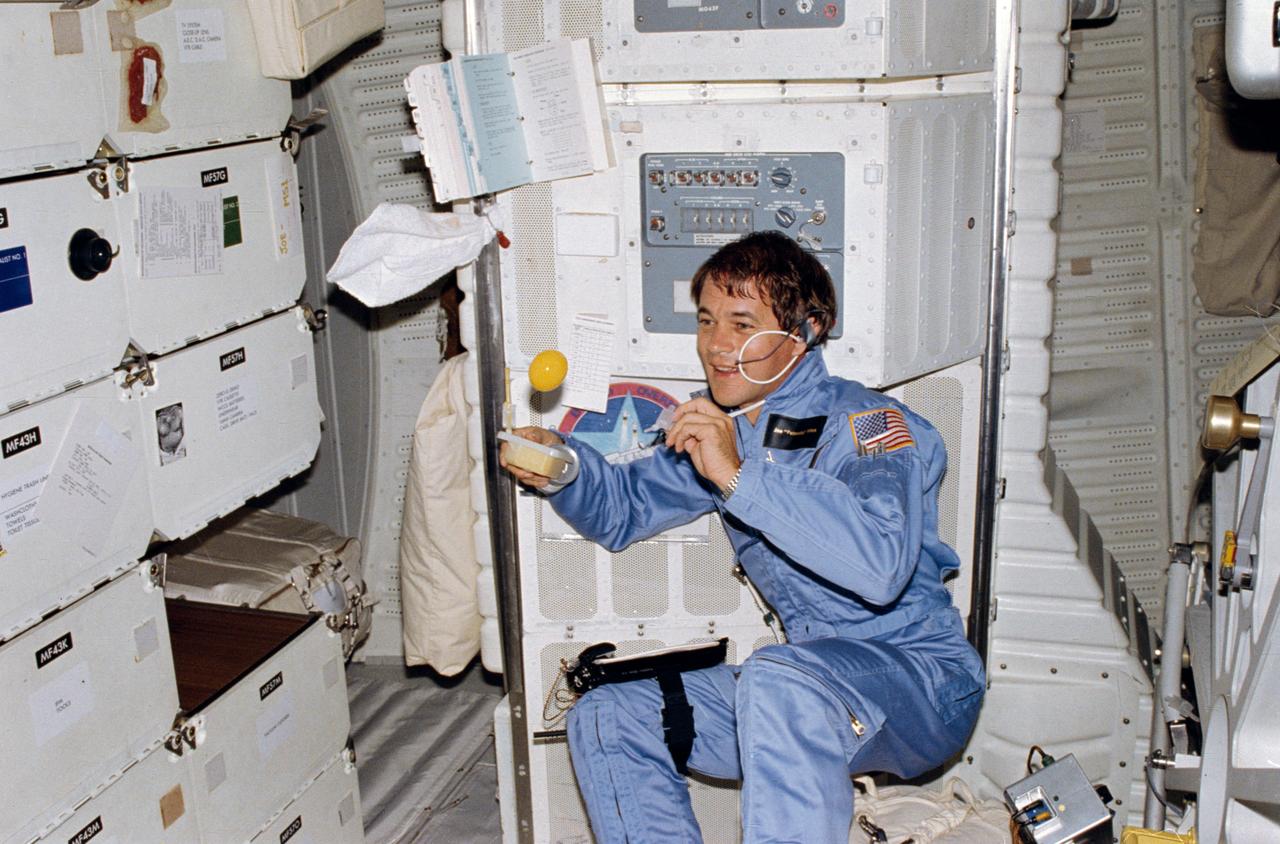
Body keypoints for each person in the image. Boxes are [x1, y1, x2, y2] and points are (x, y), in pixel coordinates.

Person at [500, 231, 985, 843]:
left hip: (920, 682)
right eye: (706, 321)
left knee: (777, 676)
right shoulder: (730, 432)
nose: (717, 347)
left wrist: (738, 475)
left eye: (741, 323)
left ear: (805, 331)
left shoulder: (874, 426)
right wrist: (563, 467)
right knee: (609, 713)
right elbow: (623, 509)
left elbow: (882, 563)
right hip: (806, 695)